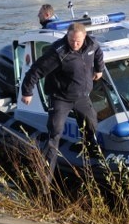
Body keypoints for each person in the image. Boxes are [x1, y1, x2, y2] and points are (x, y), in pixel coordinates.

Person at [20, 22, 104, 177]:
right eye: (71, 40)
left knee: (91, 125)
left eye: (78, 41)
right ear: (67, 36)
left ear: (84, 37)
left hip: (82, 97)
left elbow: (98, 52)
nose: (75, 44)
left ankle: (93, 162)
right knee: (55, 132)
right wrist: (27, 92)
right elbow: (36, 70)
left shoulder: (92, 44)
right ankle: (45, 177)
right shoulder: (59, 52)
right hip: (61, 98)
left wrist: (99, 69)